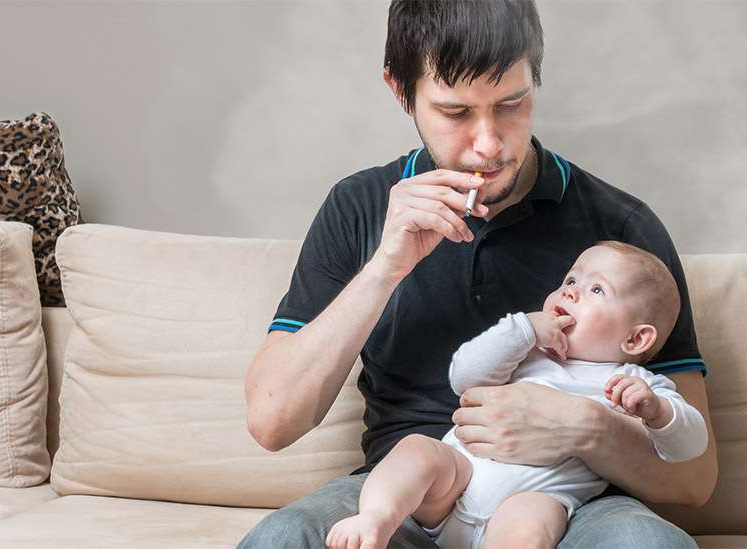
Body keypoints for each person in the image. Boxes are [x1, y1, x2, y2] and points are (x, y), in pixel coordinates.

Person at [239, 1, 717, 547]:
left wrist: (584, 428)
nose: (489, 144)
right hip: (412, 492)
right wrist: (386, 267)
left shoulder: (621, 229)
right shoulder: (359, 206)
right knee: (284, 537)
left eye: (511, 104)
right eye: (456, 112)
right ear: (401, 91)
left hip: (567, 504)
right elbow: (272, 422)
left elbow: (695, 479)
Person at [325, 242, 709, 549]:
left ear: (636, 339)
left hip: (533, 498)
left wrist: (658, 411)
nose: (571, 292)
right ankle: (375, 518)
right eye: (571, 279)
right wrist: (522, 330)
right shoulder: (528, 352)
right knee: (418, 450)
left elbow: (689, 446)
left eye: (596, 289)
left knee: (534, 521)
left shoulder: (634, 384)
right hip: (455, 481)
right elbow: (463, 376)